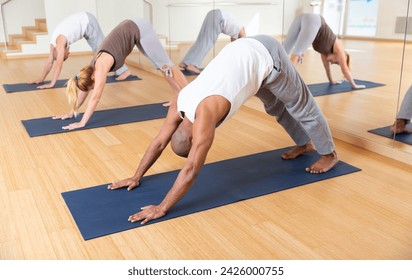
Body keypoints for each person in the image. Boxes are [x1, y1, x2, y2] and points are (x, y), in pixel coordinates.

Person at [108, 35, 339, 225]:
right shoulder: (180, 100)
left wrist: (161, 207)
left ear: (191, 137)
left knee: (301, 105)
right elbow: (159, 142)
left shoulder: (205, 115)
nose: (195, 149)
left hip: (267, 55)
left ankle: (329, 154)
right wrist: (136, 176)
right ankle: (304, 143)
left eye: (191, 148)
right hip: (244, 56)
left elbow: (191, 169)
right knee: (275, 107)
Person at [55, 18, 188, 130]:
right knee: (160, 65)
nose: (93, 88)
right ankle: (178, 95)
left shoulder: (100, 67)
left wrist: (82, 122)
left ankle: (191, 98)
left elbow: (95, 98)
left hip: (139, 28)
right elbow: (85, 92)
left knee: (165, 64)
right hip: (131, 29)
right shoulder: (90, 70)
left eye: (92, 86)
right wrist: (73, 111)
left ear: (93, 78)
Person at [29, 12, 129, 89]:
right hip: (86, 23)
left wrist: (52, 83)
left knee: (103, 51)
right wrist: (41, 78)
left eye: (66, 56)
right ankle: (120, 69)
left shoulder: (58, 42)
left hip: (87, 21)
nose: (69, 54)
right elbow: (49, 62)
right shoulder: (53, 45)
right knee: (101, 51)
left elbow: (58, 63)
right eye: (66, 57)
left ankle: (124, 71)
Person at [283, 13, 365, 89]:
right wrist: (354, 85)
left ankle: (274, 75)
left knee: (283, 49)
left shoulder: (324, 53)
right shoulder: (340, 49)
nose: (332, 63)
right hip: (314, 20)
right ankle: (284, 82)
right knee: (297, 53)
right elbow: (345, 70)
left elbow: (327, 69)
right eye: (336, 62)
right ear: (338, 56)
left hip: (303, 17)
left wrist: (331, 81)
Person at [178, 9, 246, 74]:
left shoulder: (238, 29)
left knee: (201, 40)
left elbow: (233, 45)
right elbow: (235, 46)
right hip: (219, 17)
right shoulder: (242, 35)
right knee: (207, 43)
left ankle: (185, 63)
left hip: (213, 13)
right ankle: (192, 65)